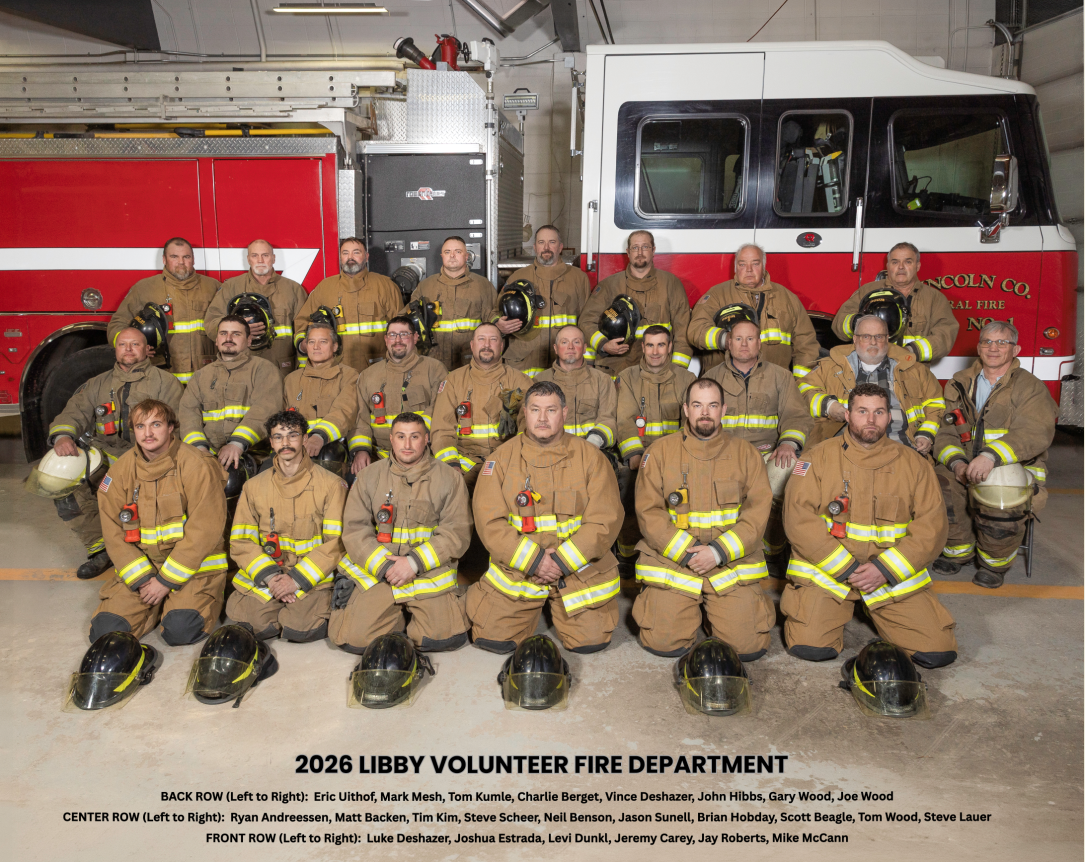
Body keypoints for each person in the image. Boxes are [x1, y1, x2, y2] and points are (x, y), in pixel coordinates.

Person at [781, 383, 958, 668]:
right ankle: (842, 606)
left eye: (879, 412)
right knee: (811, 647)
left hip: (888, 575)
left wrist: (884, 570)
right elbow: (798, 519)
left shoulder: (915, 464)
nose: (871, 419)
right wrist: (847, 569)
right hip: (830, 573)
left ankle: (875, 605)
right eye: (862, 411)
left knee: (937, 652)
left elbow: (932, 527)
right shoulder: (816, 458)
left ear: (890, 417)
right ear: (848, 415)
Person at [467, 381, 623, 654]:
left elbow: (605, 520)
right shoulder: (499, 460)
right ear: (524, 413)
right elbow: (490, 523)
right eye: (535, 409)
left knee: (591, 641)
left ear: (564, 413)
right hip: (520, 573)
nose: (542, 418)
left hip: (577, 572)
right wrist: (536, 561)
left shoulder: (591, 457)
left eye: (550, 410)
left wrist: (560, 562)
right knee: (492, 638)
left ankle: (561, 607)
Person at [631, 378, 774, 659]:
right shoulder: (659, 452)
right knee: (663, 642)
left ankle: (715, 615)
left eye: (712, 405)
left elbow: (757, 515)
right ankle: (690, 611)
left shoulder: (746, 454)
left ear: (724, 410)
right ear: (686, 409)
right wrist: (690, 552)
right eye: (697, 405)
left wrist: (717, 552)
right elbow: (649, 514)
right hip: (675, 563)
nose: (705, 413)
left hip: (730, 564)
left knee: (746, 647)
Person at [46, 327, 184, 579]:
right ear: (115, 349)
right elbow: (74, 412)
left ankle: (144, 550)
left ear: (147, 349)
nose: (128, 349)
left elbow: (177, 429)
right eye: (123, 345)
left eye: (135, 344)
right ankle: (100, 548)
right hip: (107, 457)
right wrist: (63, 435)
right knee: (63, 483)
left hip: (150, 460)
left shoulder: (166, 383)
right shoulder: (97, 384)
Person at [330, 412, 472, 653]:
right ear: (391, 439)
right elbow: (355, 530)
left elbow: (457, 533)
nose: (407, 444)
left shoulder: (450, 479)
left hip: (428, 571)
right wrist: (386, 567)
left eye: (414, 436)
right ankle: (392, 614)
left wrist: (413, 563)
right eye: (400, 436)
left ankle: (411, 613)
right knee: (355, 639)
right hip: (380, 570)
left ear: (426, 439)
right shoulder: (368, 476)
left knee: (440, 638)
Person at [90, 398, 228, 645]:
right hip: (144, 568)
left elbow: (204, 531)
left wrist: (165, 582)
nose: (148, 433)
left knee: (181, 630)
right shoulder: (119, 472)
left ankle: (172, 604)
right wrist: (143, 580)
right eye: (140, 426)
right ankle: (155, 605)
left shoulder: (196, 465)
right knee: (105, 632)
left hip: (192, 569)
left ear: (171, 427)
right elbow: (113, 532)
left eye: (156, 424)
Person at [932, 321, 1058, 587]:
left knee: (1002, 486)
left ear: (1015, 350)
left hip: (1012, 466)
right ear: (979, 348)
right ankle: (959, 551)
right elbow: (946, 431)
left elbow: (1036, 431)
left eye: (1002, 343)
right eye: (987, 342)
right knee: (936, 481)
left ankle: (994, 563)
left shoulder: (1030, 387)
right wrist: (957, 463)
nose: (993, 348)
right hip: (967, 462)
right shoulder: (959, 383)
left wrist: (990, 457)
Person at [226, 410, 347, 642]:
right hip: (270, 574)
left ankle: (296, 606)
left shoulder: (332, 485)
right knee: (254, 625)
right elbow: (241, 542)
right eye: (278, 437)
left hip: (311, 576)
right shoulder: (253, 487)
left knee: (299, 629)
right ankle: (276, 598)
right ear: (271, 443)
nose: (286, 443)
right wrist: (272, 579)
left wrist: (295, 580)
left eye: (293, 435)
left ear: (304, 439)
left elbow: (336, 543)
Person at [704, 319, 813, 563]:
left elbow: (796, 416)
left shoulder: (780, 376)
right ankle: (724, 545)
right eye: (738, 339)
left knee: (785, 470)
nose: (744, 344)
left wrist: (788, 444)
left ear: (759, 343)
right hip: (723, 455)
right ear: (729, 343)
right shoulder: (712, 378)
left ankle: (771, 548)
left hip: (767, 454)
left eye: (750, 339)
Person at [613, 325, 697, 579]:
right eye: (650, 345)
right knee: (628, 488)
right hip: (638, 454)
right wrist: (634, 454)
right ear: (643, 347)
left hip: (676, 454)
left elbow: (689, 422)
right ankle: (627, 554)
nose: (655, 351)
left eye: (661, 345)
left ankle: (677, 550)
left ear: (670, 347)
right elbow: (624, 419)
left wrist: (675, 456)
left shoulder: (686, 379)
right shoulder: (627, 377)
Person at [799, 314, 944, 450]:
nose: (873, 342)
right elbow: (802, 392)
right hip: (845, 453)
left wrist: (925, 434)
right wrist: (828, 406)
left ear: (887, 339)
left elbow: (935, 404)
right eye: (866, 336)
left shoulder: (915, 370)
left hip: (900, 450)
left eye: (879, 337)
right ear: (855, 339)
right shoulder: (829, 367)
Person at [687, 243, 818, 377]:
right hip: (725, 382)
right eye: (742, 264)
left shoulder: (787, 299)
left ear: (763, 266)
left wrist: (800, 384)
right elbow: (696, 330)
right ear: (735, 267)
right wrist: (725, 339)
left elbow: (806, 345)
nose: (749, 270)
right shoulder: (716, 295)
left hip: (774, 383)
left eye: (755, 264)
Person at [430, 323, 532, 491]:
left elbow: (528, 426)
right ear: (472, 345)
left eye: (493, 339)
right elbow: (442, 430)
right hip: (464, 463)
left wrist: (519, 460)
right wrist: (451, 464)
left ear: (501, 346)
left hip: (507, 461)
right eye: (481, 339)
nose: (487, 345)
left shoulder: (520, 381)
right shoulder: (453, 381)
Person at [578, 230, 692, 375]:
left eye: (645, 247)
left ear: (653, 250)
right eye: (635, 247)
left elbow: (683, 332)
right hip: (616, 370)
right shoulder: (609, 285)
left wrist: (676, 372)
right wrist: (604, 344)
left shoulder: (671, 284)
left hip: (658, 370)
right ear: (628, 252)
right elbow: (586, 321)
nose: (640, 252)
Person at [108, 237, 220, 383]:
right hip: (161, 378)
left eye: (186, 257)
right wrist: (134, 347)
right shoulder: (144, 289)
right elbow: (117, 324)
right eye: (174, 257)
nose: (181, 262)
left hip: (204, 377)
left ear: (193, 260)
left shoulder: (212, 287)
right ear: (164, 259)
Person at [178, 316, 282, 469]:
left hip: (256, 459)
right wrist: (199, 448)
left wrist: (237, 443)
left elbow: (265, 410)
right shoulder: (200, 376)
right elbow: (188, 415)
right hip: (209, 458)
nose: (228, 338)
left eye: (236, 334)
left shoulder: (263, 369)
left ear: (249, 340)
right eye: (223, 333)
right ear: (216, 340)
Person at [832, 242, 959, 365]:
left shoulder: (934, 298)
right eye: (895, 262)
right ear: (888, 266)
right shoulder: (867, 292)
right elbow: (839, 325)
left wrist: (910, 351)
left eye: (908, 262)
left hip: (913, 370)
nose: (901, 267)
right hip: (869, 369)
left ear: (918, 266)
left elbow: (945, 336)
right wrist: (857, 322)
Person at [349, 317, 448, 472]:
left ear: (415, 337)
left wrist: (417, 440)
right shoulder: (368, 376)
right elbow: (360, 418)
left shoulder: (434, 369)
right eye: (392, 335)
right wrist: (361, 450)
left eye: (404, 334)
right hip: (380, 456)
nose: (398, 340)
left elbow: (440, 409)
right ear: (386, 339)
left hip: (422, 455)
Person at [293, 237, 402, 372]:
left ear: (366, 257)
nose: (350, 257)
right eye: (345, 253)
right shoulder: (324, 288)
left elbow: (402, 328)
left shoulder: (386, 286)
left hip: (376, 369)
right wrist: (302, 344)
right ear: (340, 257)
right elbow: (302, 320)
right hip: (335, 370)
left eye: (356, 252)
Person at [205, 239, 309, 380]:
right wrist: (239, 330)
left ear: (273, 258)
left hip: (282, 371)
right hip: (240, 370)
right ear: (248, 259)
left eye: (265, 255)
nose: (260, 260)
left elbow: (304, 328)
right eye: (255, 255)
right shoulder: (231, 287)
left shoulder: (293, 290)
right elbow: (211, 323)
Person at [495, 225, 591, 378]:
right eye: (541, 242)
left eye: (552, 242)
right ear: (535, 247)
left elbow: (587, 321)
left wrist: (588, 362)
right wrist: (499, 324)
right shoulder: (517, 277)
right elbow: (496, 311)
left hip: (565, 364)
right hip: (524, 362)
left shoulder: (578, 278)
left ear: (560, 247)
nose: (546, 248)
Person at [405, 236, 496, 371]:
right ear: (442, 256)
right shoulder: (425, 286)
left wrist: (501, 324)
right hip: (433, 363)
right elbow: (407, 320)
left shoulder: (483, 286)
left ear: (466, 256)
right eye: (447, 252)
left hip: (470, 363)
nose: (452, 255)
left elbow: (493, 321)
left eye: (458, 252)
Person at [282, 323, 359, 459]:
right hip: (295, 453)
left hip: (333, 454)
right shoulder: (291, 380)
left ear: (335, 346)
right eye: (311, 342)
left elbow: (344, 411)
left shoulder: (349, 376)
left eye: (323, 342)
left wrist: (319, 436)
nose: (316, 347)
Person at [534, 325, 617, 449]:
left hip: (593, 451)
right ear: (556, 349)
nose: (570, 347)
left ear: (584, 348)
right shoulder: (539, 381)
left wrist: (593, 443)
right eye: (564, 342)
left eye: (576, 342)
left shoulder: (602, 380)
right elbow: (532, 423)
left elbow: (609, 420)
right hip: (551, 452)